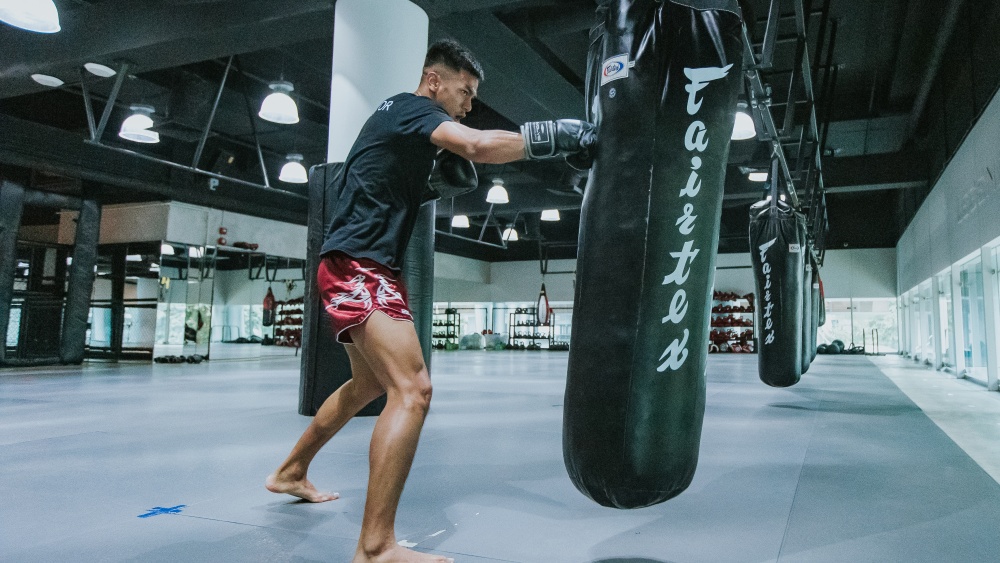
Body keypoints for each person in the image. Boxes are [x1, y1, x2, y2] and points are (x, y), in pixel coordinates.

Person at [266, 39, 595, 563]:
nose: (469, 104)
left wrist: (425, 183)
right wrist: (556, 137)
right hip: (359, 263)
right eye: (465, 92)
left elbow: (381, 183)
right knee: (413, 390)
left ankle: (289, 472)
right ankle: (375, 548)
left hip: (361, 261)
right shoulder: (409, 107)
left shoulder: (404, 133)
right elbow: (479, 145)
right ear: (434, 80)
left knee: (368, 385)